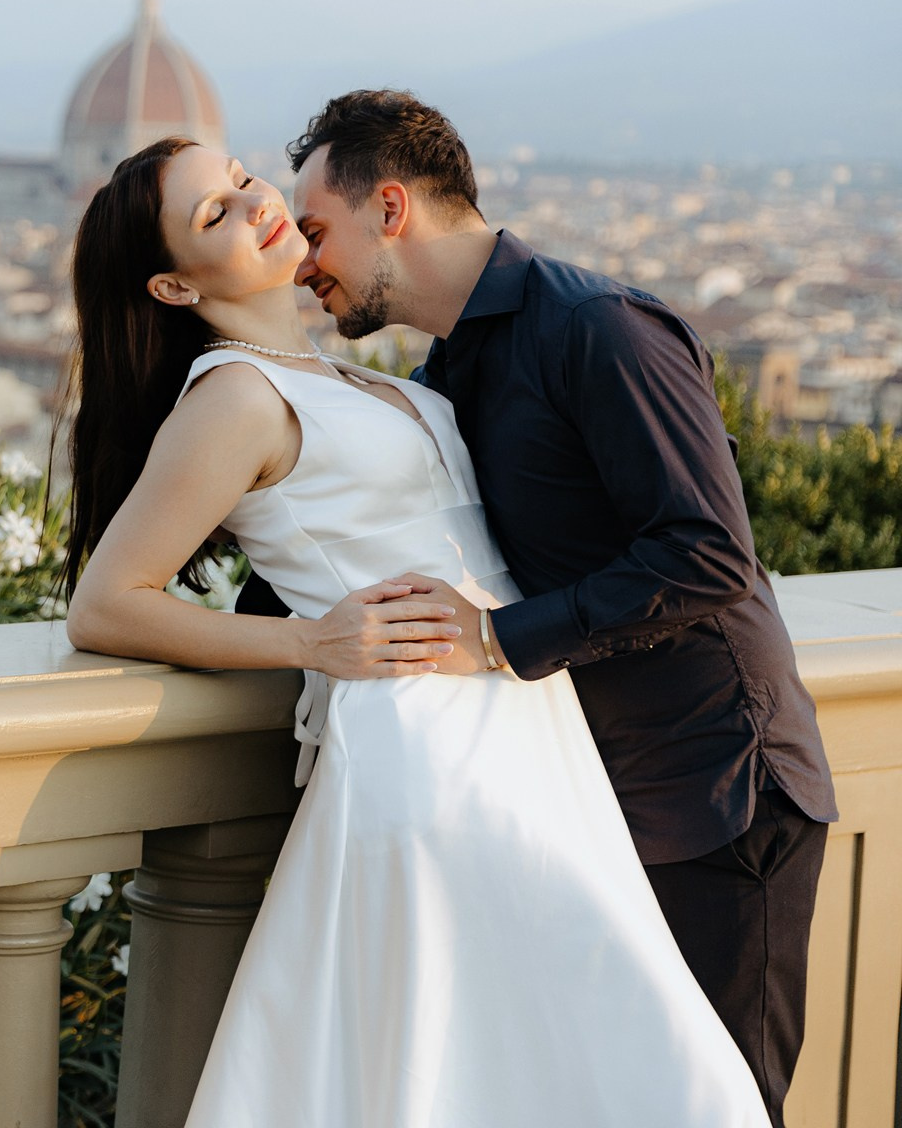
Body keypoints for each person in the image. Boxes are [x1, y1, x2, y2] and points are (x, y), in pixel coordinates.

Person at [61, 135, 772, 1126]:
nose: (253, 201)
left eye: (238, 179)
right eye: (212, 213)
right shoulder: (233, 396)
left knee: (549, 1067)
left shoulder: (352, 377)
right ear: (174, 287)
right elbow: (107, 600)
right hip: (428, 756)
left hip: (526, 732)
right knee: (565, 1063)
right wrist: (311, 643)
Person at [285, 89, 834, 1124]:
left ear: (390, 208)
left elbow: (710, 551)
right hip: (599, 799)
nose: (303, 262)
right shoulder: (460, 365)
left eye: (316, 230)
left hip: (720, 794)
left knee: (712, 1105)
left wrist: (495, 638)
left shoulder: (597, 327)